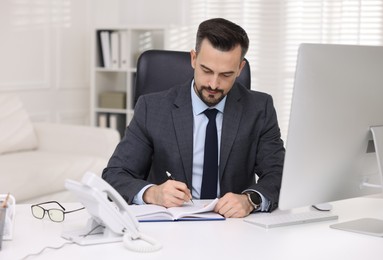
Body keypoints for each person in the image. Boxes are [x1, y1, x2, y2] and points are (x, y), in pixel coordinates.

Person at [102, 18, 285, 218]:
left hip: (234, 225)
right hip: (170, 225)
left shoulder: (259, 108)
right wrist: (152, 193)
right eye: (206, 71)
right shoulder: (151, 108)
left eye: (226, 74)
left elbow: (279, 173)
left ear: (240, 69)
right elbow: (115, 174)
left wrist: (251, 200)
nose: (214, 84)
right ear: (193, 59)